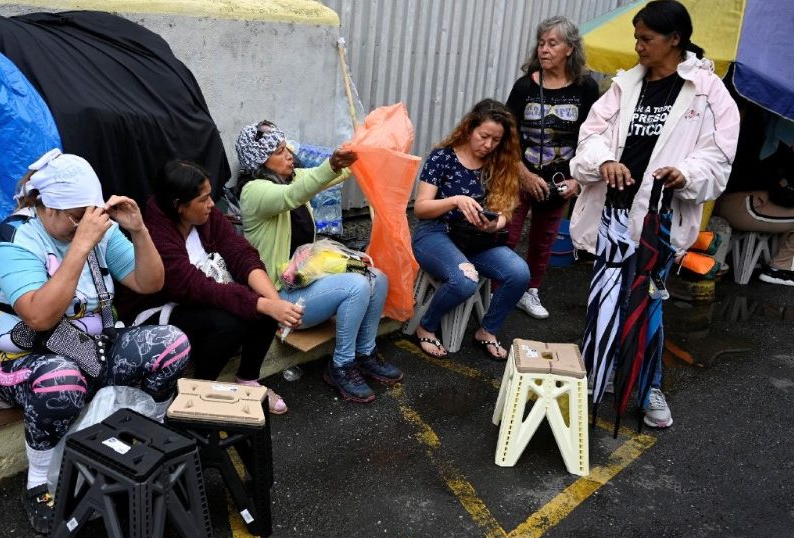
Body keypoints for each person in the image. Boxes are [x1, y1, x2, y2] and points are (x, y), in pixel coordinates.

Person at [0, 149, 191, 533]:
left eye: (89, 214)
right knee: (61, 380)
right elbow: (40, 316)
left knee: (172, 344)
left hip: (95, 349)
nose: (85, 224)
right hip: (31, 356)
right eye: (75, 217)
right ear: (47, 207)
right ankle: (39, 485)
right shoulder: (14, 237)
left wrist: (139, 230)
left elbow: (150, 283)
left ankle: (154, 439)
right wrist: (80, 247)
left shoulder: (100, 229)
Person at [570, 0, 740, 428]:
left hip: (657, 221)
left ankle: (649, 386)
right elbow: (589, 137)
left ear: (674, 40)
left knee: (647, 305)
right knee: (604, 300)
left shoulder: (708, 91)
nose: (638, 46)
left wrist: (685, 173)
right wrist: (605, 159)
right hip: (612, 213)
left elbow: (718, 159)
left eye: (646, 39)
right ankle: (603, 372)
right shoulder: (624, 85)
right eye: (636, 38)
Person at [236, 120, 402, 404]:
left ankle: (365, 352)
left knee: (377, 276)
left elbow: (336, 173)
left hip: (305, 277)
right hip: (280, 296)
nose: (289, 154)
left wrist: (370, 147)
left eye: (286, 146)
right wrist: (331, 166)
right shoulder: (254, 191)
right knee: (357, 285)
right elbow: (293, 196)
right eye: (278, 151)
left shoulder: (293, 177)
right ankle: (341, 365)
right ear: (260, 162)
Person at [123, 160, 303, 414]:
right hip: (160, 309)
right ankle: (199, 391)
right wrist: (263, 304)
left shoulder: (205, 216)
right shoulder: (157, 233)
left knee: (263, 305)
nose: (212, 204)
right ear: (180, 206)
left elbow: (240, 253)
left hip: (201, 296)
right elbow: (195, 287)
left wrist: (275, 302)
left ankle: (248, 380)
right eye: (204, 199)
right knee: (230, 321)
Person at [410, 99, 529, 361]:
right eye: (484, 136)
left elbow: (505, 212)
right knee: (465, 280)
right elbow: (421, 208)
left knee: (519, 273)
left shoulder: (499, 163)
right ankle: (426, 326)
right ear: (469, 128)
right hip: (435, 233)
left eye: (496, 140)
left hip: (475, 239)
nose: (488, 145)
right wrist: (454, 200)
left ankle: (487, 330)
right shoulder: (443, 157)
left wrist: (493, 224)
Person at [505, 16, 600, 319]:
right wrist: (523, 173)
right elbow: (506, 135)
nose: (544, 49)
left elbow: (591, 137)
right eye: (541, 43)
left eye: (552, 43)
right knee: (505, 235)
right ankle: (499, 290)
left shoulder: (586, 88)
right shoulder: (524, 87)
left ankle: (531, 291)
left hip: (560, 180)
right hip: (520, 174)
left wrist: (578, 181)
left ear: (570, 48)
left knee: (544, 239)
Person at [715, 106, 794, 286]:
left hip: (739, 201)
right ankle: (778, 268)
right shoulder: (766, 141)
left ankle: (781, 266)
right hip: (741, 204)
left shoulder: (767, 133)